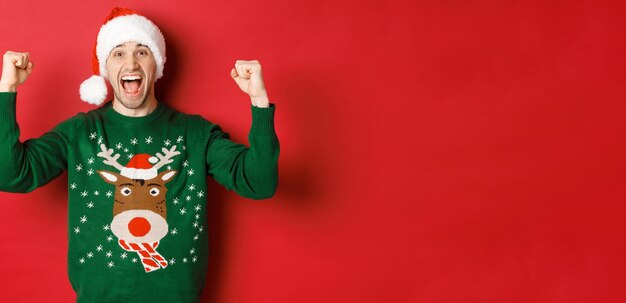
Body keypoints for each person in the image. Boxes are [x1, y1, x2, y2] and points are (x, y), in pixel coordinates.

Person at [0, 7, 279, 303]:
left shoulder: (195, 134)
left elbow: (259, 183)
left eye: (142, 52)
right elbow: (11, 174)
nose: (130, 62)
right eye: (118, 53)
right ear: (106, 67)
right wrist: (7, 89)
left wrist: (259, 101)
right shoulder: (79, 132)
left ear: (156, 65)